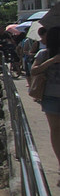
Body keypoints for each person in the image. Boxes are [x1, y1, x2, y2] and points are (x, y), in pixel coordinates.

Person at [31, 26, 60, 184]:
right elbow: (34, 71)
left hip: (51, 97)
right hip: (50, 97)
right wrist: (52, 61)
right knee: (55, 131)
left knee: (56, 131)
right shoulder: (43, 54)